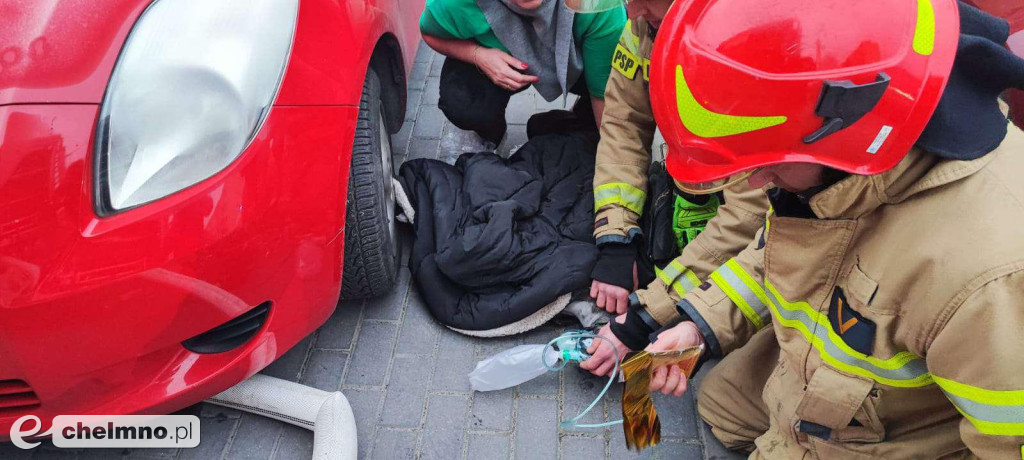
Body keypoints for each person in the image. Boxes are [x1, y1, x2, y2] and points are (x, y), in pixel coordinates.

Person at [638, 0, 1024, 457]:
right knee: (721, 406)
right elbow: (777, 254)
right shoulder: (845, 169)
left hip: (887, 437)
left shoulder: (989, 279)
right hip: (840, 393)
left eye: (766, 161)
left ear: (847, 128)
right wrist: (699, 326)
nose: (756, 181)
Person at [569, 0, 769, 377]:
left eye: (649, 0)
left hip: (752, 203)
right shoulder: (643, 27)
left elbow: (749, 214)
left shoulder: (748, 46)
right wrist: (616, 238)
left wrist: (644, 319)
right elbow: (624, 127)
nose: (634, 12)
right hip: (700, 187)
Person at [419, 0, 625, 146]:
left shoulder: (599, 5)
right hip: (501, 58)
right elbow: (429, 32)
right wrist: (479, 55)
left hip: (579, 59)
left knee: (620, 99)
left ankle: (577, 119)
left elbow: (606, 96)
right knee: (462, 100)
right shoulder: (455, 3)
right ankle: (491, 136)